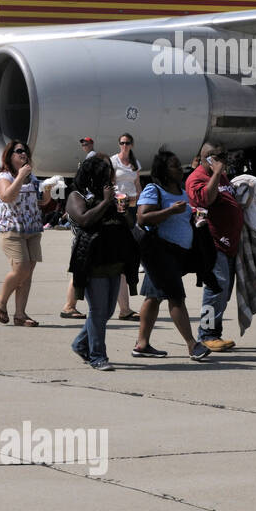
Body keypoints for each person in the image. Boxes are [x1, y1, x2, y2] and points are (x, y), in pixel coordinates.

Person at [132, 148, 211, 361]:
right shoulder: (154, 189)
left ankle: (141, 344)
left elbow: (182, 218)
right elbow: (142, 218)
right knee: (176, 297)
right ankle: (192, 345)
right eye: (174, 165)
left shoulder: (181, 191)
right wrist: (170, 211)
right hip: (160, 253)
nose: (180, 168)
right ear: (164, 171)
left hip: (177, 254)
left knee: (154, 297)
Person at [66, 156, 138, 371]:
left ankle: (81, 343)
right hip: (92, 261)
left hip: (113, 259)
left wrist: (122, 209)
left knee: (106, 312)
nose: (112, 176)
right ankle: (98, 356)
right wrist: (106, 202)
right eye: (108, 172)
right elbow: (85, 220)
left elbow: (130, 224)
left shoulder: (109, 195)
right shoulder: (76, 196)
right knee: (98, 311)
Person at [186, 143, 244, 352]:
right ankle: (207, 334)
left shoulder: (221, 176)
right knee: (215, 288)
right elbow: (206, 199)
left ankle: (214, 332)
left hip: (228, 243)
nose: (225, 159)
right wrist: (217, 173)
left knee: (224, 291)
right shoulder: (197, 178)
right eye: (221, 156)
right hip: (212, 242)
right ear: (209, 158)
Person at [0, 139, 53, 327]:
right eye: (19, 151)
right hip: (12, 229)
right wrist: (20, 176)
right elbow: (6, 196)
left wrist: (48, 191)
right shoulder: (4, 177)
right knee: (21, 269)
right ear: (10, 156)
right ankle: (0, 301)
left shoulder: (31, 177)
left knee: (28, 273)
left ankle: (20, 314)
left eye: (25, 151)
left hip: (33, 229)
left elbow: (42, 202)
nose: (23, 154)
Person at [109, 134, 142, 319]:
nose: (124, 146)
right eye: (121, 143)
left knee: (127, 251)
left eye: (127, 143)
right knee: (119, 256)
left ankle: (124, 308)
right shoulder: (114, 161)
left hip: (132, 205)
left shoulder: (135, 162)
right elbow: (112, 184)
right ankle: (123, 308)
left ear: (131, 144)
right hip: (118, 205)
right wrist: (118, 200)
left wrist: (141, 202)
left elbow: (137, 184)